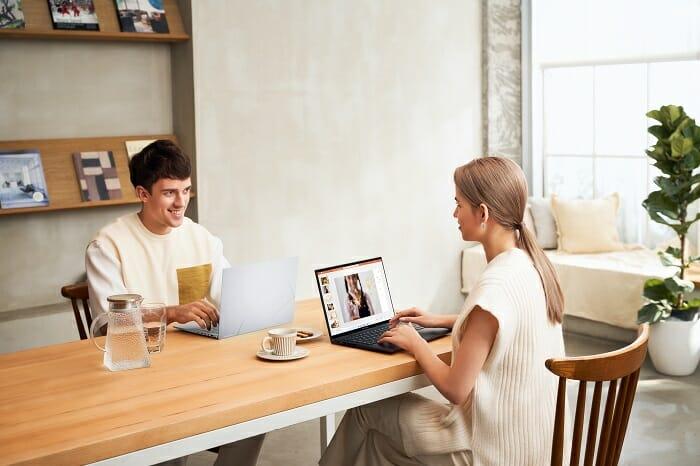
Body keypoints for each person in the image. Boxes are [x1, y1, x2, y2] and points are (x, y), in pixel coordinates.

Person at [319, 157, 569, 466]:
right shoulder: (531, 266)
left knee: (364, 411)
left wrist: (416, 343)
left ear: (483, 213)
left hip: (485, 452)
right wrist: (446, 320)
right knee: (375, 443)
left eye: (458, 204)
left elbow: (456, 389)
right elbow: (510, 326)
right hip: (536, 448)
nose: (454, 214)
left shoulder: (494, 286)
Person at [86, 140, 264, 466]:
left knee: (257, 419)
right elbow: (111, 324)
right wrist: (170, 312)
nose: (181, 202)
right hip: (137, 380)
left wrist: (260, 302)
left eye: (187, 190)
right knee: (168, 447)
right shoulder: (108, 245)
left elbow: (234, 299)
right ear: (143, 194)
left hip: (198, 373)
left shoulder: (201, 238)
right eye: (170, 192)